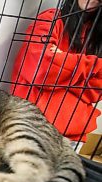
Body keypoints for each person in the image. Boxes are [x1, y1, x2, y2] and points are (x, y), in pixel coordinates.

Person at [10, 0, 102, 143]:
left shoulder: (97, 38)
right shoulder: (50, 19)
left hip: (73, 135)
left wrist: (64, 60)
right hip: (31, 126)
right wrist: (92, 68)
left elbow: (98, 89)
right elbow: (42, 71)